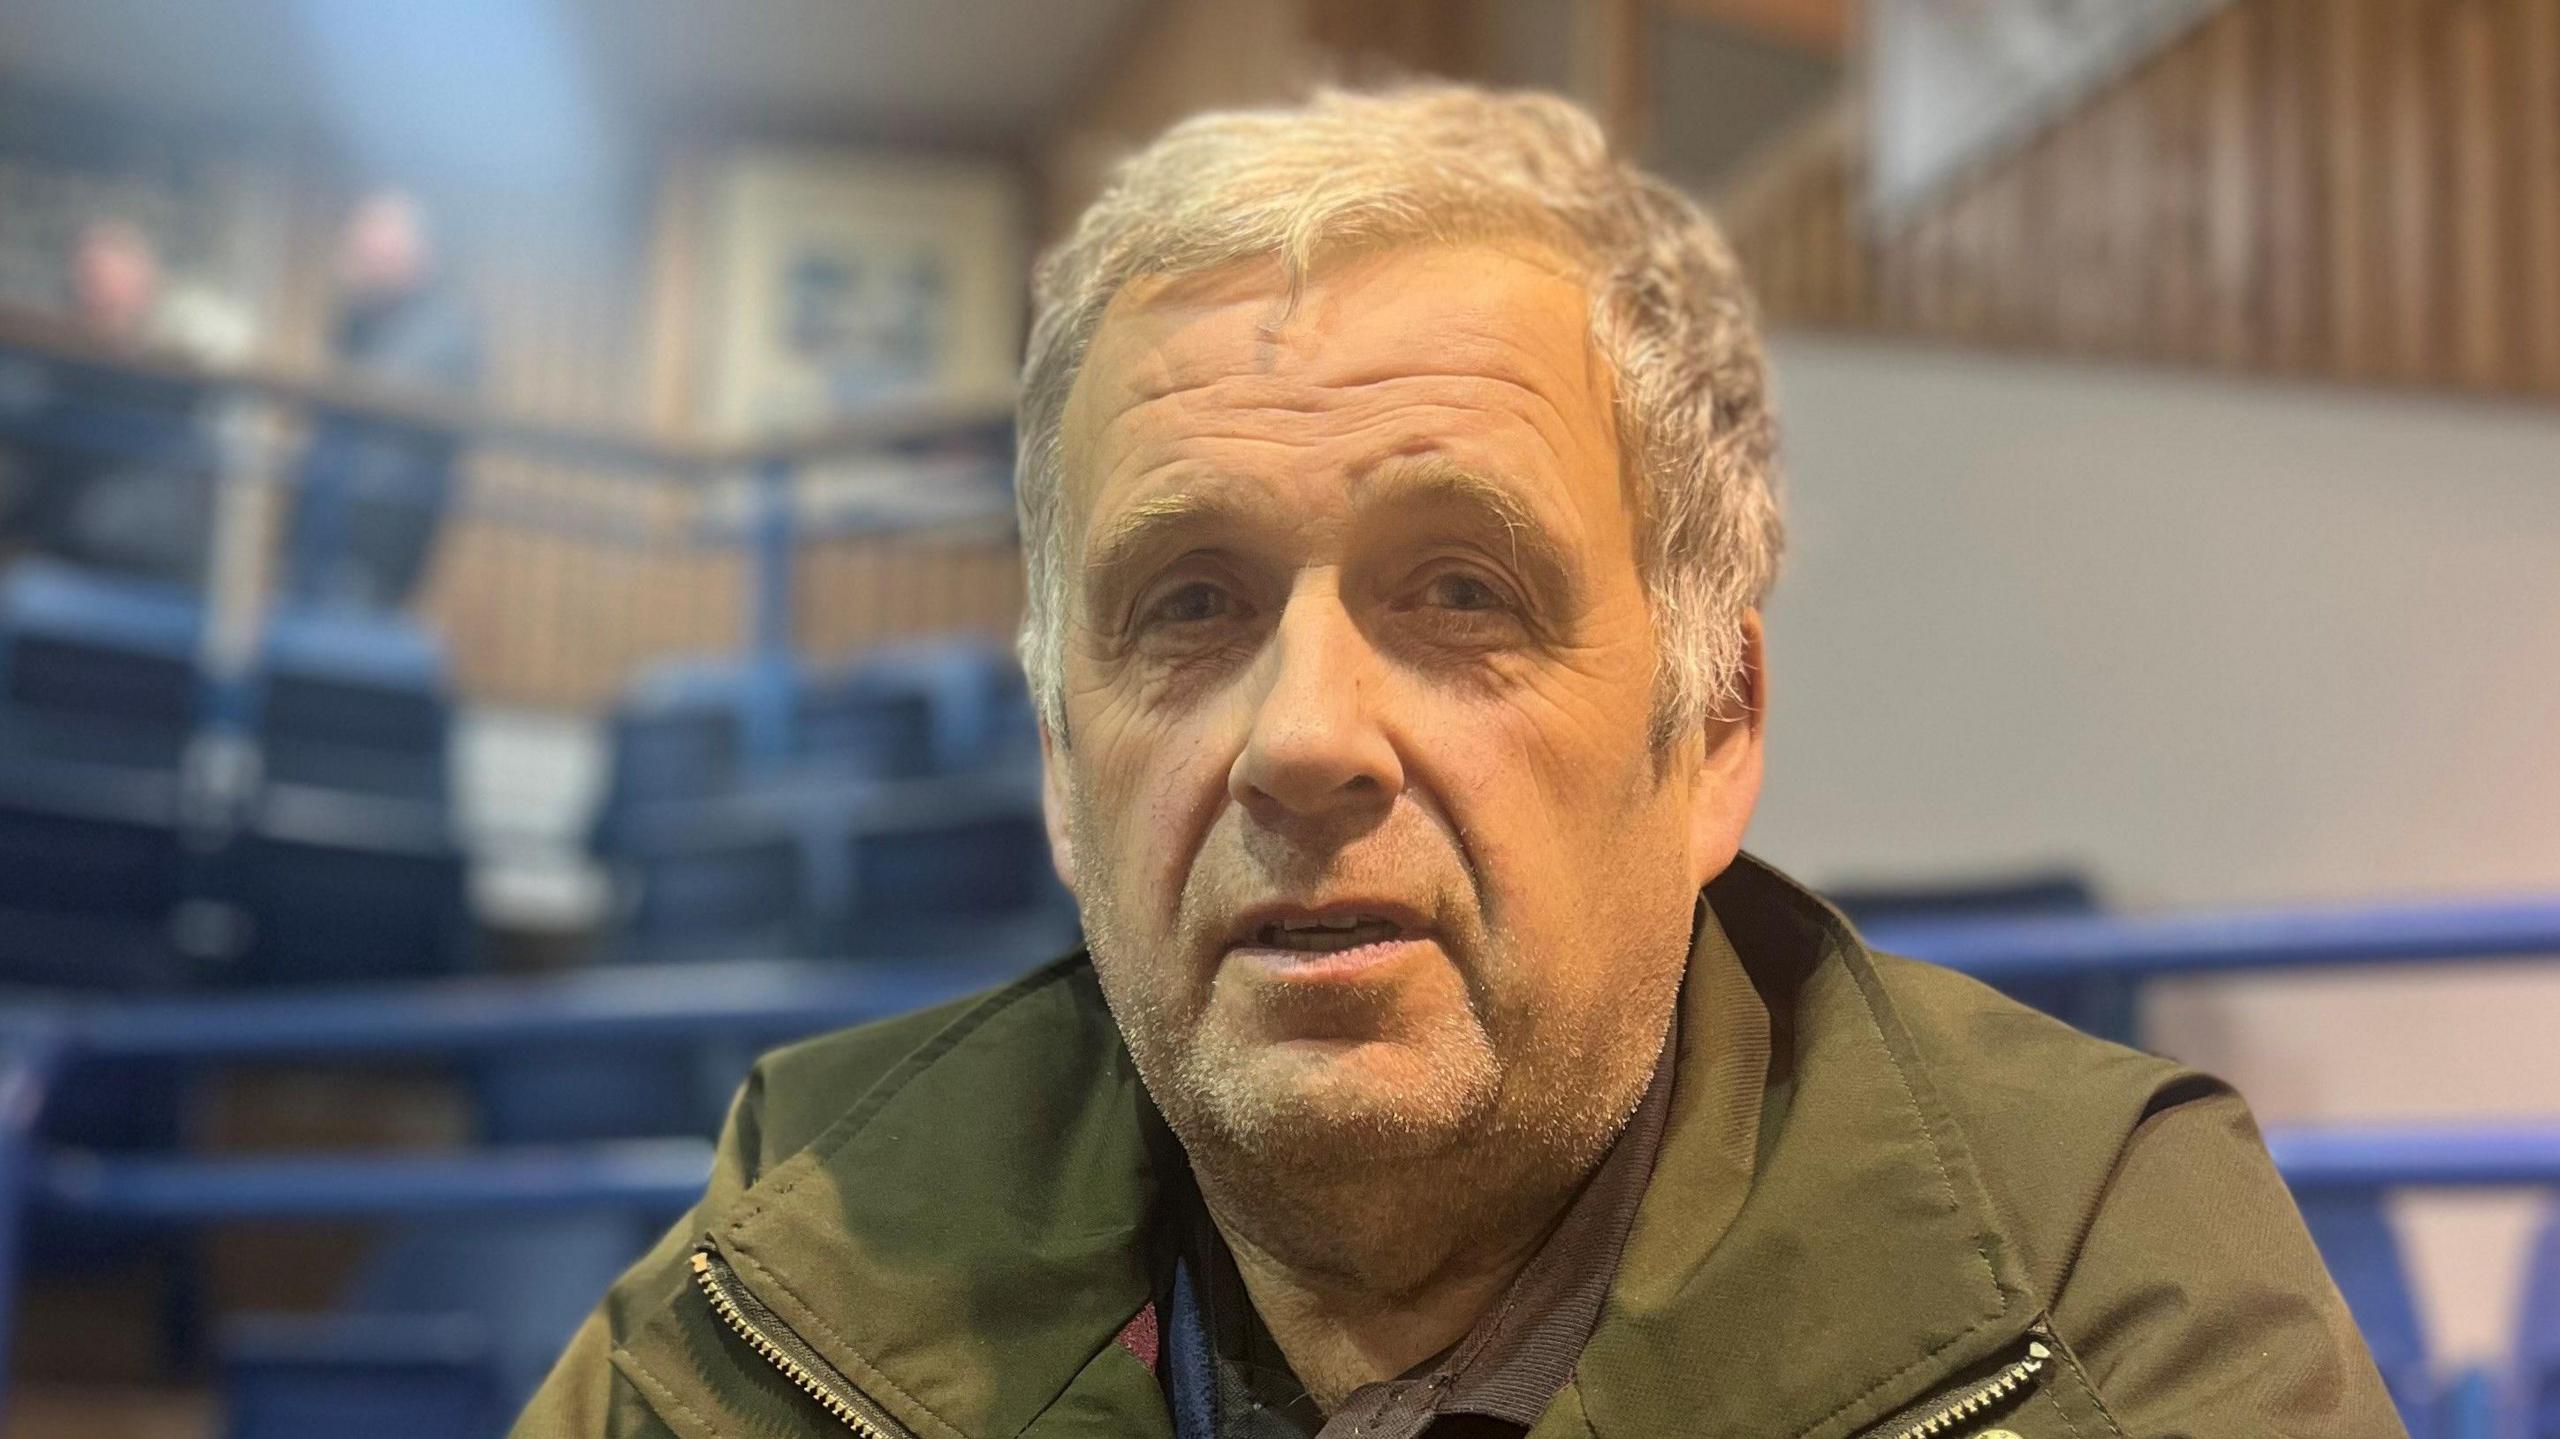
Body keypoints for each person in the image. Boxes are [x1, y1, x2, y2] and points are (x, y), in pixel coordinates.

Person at [516, 85, 2402, 1438]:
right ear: (1063, 774)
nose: (1307, 738)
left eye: (1461, 588)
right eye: (1187, 601)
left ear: (1713, 730)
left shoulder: (2093, 1288)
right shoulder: (787, 1280)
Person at [0, 219, 250, 587]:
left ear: (145, 289)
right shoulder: (51, 370)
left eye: (111, 282)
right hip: (54, 547)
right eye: (88, 281)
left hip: (133, 558)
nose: (97, 295)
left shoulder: (173, 375)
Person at [278, 187, 480, 612]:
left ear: (417, 256)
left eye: (372, 253)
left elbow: (370, 397)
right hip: (336, 536)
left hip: (371, 542)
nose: (358, 264)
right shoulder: (371, 323)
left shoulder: (441, 329)